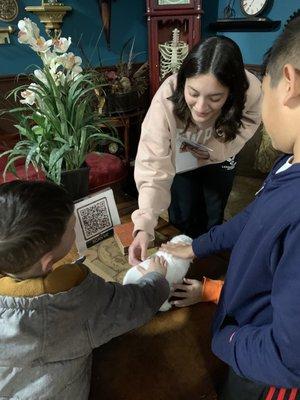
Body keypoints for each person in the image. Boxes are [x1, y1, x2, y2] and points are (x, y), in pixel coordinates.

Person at [160, 17, 300, 399]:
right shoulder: (289, 163)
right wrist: (196, 247)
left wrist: (226, 339)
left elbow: (289, 359)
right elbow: (255, 219)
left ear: (288, 83)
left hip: (260, 372)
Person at [0, 180, 169, 400]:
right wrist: (156, 278)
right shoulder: (77, 299)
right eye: (72, 227)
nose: (75, 227)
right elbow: (133, 306)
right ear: (48, 262)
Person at [129, 36, 262, 266]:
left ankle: (208, 271)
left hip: (221, 157)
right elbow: (152, 164)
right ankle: (182, 269)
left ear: (231, 93)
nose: (201, 108)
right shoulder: (167, 98)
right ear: (182, 83)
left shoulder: (251, 91)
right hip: (181, 162)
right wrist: (144, 225)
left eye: (215, 98)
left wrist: (215, 151)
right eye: (193, 93)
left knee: (213, 217)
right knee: (182, 216)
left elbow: (249, 124)